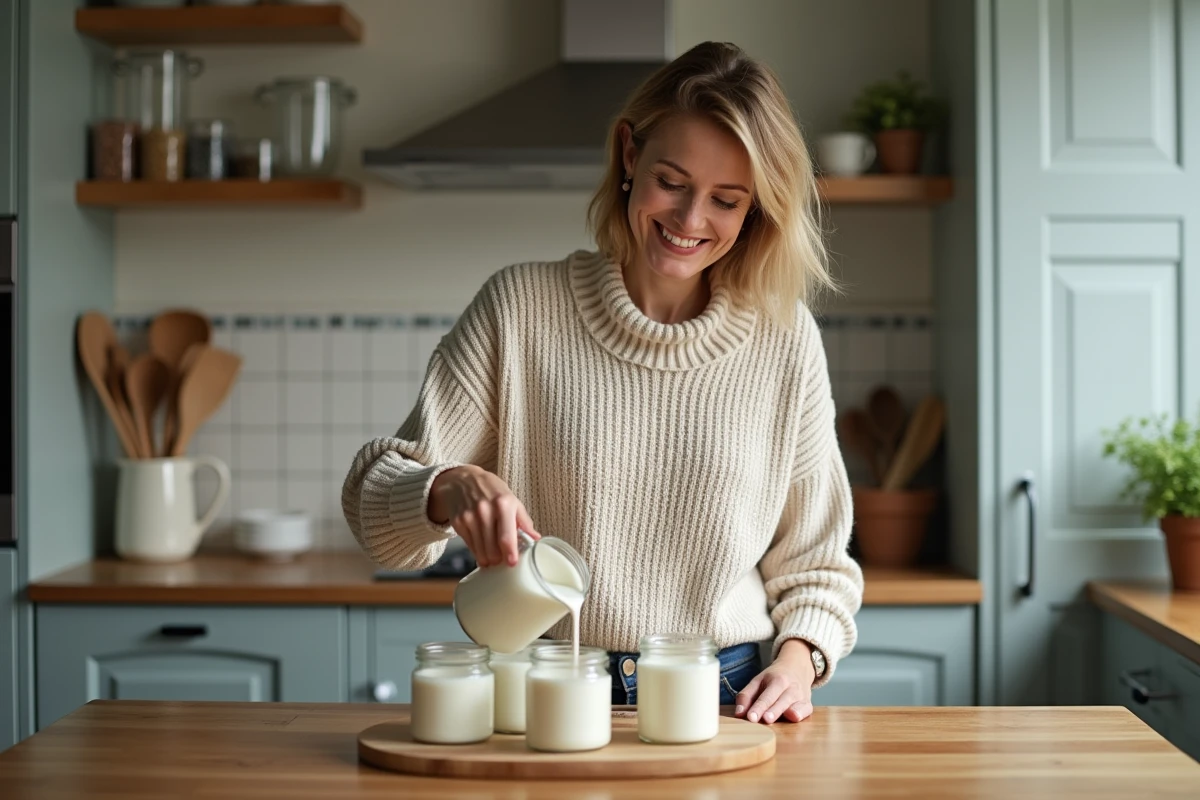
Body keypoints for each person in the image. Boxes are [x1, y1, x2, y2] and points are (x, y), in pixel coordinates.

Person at [342, 40, 863, 725]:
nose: (689, 220)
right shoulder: (520, 309)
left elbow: (819, 562)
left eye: (726, 201)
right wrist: (444, 487)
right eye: (672, 182)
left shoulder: (783, 339)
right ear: (628, 154)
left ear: (756, 211)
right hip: (543, 688)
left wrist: (797, 661)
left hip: (724, 700)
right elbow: (374, 513)